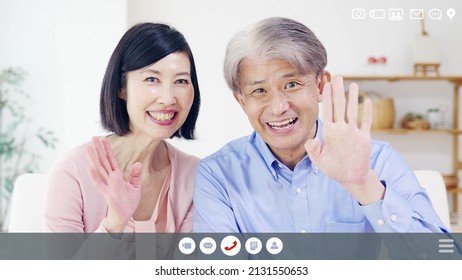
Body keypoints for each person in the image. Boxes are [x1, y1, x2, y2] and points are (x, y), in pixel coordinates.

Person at [193, 17, 447, 233]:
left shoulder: (377, 160)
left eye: (291, 84)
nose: (278, 107)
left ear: (321, 85)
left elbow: (442, 261)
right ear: (241, 101)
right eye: (259, 90)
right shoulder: (217, 175)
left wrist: (364, 185)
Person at [44, 22, 201, 234]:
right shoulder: (72, 172)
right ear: (121, 88)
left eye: (181, 81)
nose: (168, 98)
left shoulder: (197, 176)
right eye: (152, 79)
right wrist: (114, 223)